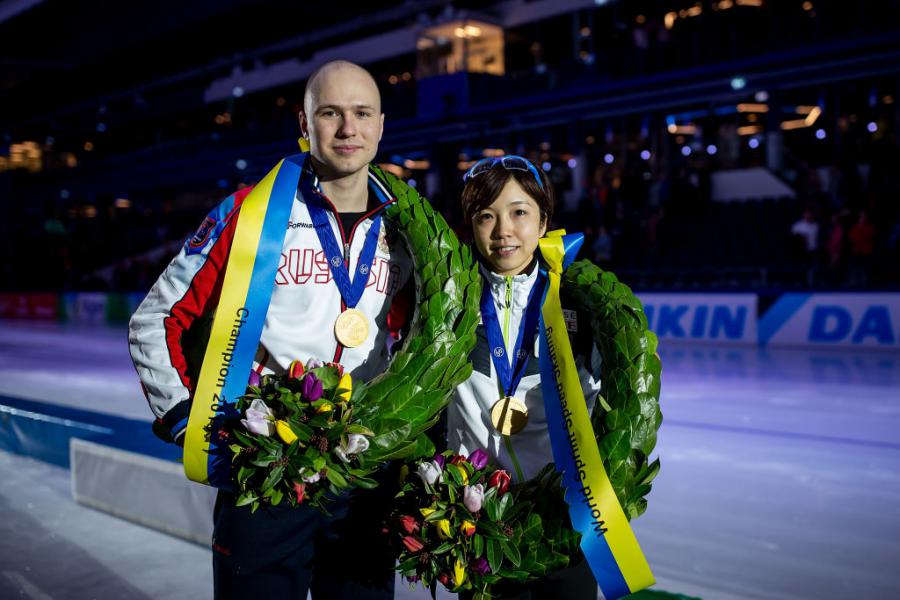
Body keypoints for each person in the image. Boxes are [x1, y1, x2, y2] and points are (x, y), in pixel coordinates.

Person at [128, 60, 413, 599]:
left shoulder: (406, 231)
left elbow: (418, 337)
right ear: (304, 125)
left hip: (363, 480)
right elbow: (156, 320)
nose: (347, 129)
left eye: (361, 113)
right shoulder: (250, 212)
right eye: (330, 113)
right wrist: (187, 420)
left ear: (381, 125)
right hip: (267, 471)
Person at [447, 155, 602, 600]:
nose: (503, 230)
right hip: (480, 524)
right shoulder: (449, 305)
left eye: (519, 212)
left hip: (563, 521)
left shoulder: (581, 304)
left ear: (544, 220)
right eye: (486, 216)